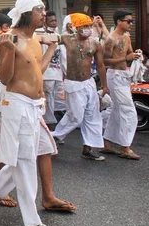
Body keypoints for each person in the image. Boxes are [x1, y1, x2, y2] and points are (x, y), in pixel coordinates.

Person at [0, 0, 58, 226]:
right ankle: (32, 224)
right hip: (16, 104)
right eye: (40, 10)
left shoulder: (35, 38)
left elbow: (37, 71)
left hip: (33, 105)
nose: (44, 14)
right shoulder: (13, 38)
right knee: (27, 163)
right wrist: (7, 49)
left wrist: (51, 49)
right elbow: (5, 78)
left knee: (22, 160)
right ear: (28, 12)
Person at [52, 13, 108, 160]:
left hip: (89, 83)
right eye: (84, 26)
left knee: (92, 116)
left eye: (89, 26)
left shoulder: (95, 43)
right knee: (75, 116)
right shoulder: (67, 39)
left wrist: (105, 85)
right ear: (75, 27)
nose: (88, 29)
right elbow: (48, 39)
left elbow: (101, 65)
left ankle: (88, 149)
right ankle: (53, 137)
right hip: (73, 83)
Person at [102, 9, 142, 160]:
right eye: (128, 21)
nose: (131, 23)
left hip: (124, 76)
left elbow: (129, 54)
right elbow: (105, 61)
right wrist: (126, 57)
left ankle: (107, 142)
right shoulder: (111, 39)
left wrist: (136, 54)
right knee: (129, 112)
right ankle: (125, 147)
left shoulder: (126, 37)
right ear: (119, 22)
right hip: (114, 76)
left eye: (131, 21)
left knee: (117, 111)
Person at [41, 11, 66, 126]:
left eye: (55, 20)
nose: (54, 23)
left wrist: (64, 72)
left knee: (59, 100)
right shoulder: (42, 37)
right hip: (47, 75)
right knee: (49, 100)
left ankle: (53, 125)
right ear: (45, 23)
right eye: (51, 21)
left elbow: (62, 56)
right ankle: (49, 125)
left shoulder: (57, 35)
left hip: (57, 74)